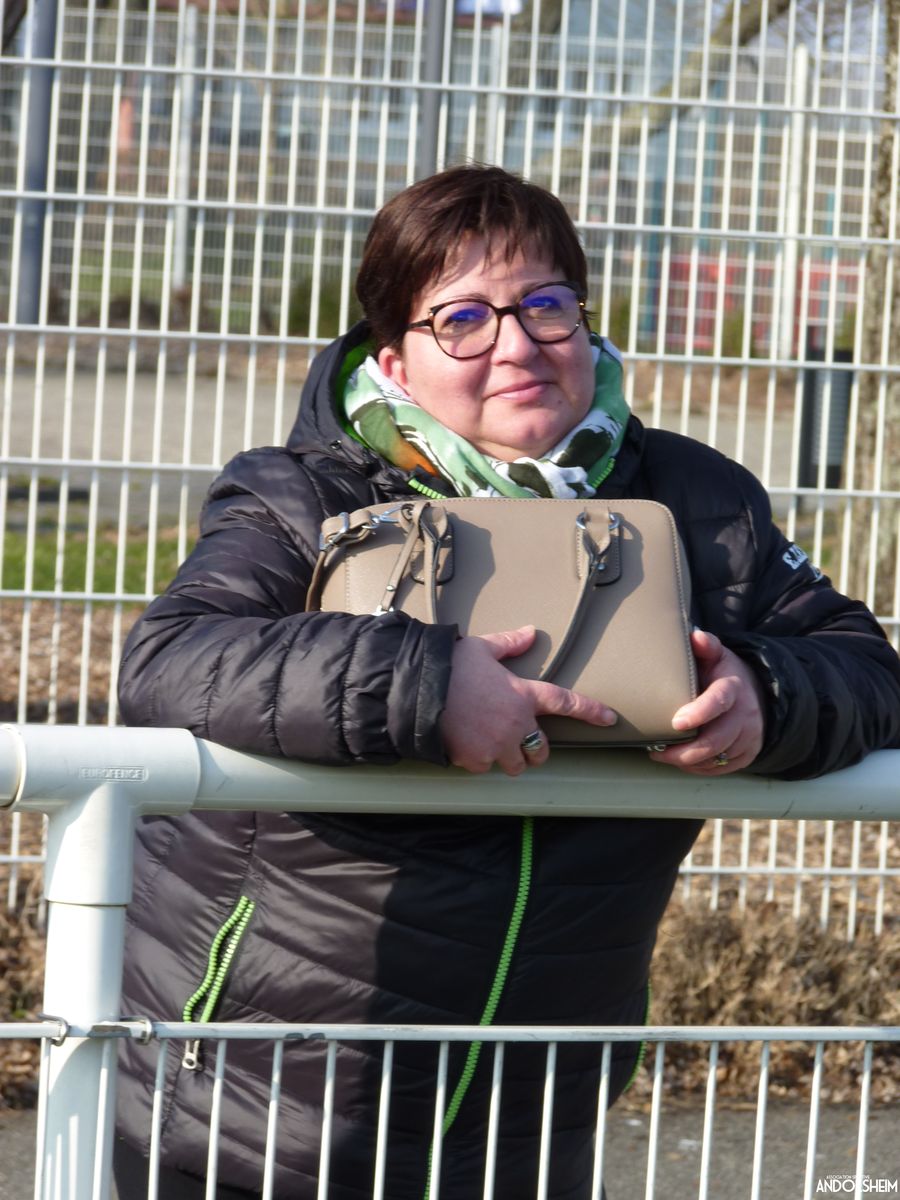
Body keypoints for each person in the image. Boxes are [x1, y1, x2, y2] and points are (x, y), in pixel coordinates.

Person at [113, 164, 900, 1200]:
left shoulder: (699, 501)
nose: (518, 345)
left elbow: (863, 666)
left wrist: (767, 692)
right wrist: (422, 688)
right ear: (394, 359)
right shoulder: (302, 493)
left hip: (538, 1101)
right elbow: (172, 659)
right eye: (463, 320)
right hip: (259, 1106)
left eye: (546, 306)